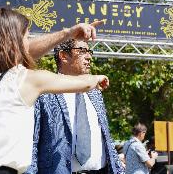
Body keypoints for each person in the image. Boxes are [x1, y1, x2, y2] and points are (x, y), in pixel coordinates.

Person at [0, 8, 108, 174]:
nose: (29, 42)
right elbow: (85, 84)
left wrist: (68, 33)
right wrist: (97, 78)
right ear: (15, 41)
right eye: (27, 37)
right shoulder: (27, 79)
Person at [26, 39, 124, 174]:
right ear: (63, 56)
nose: (89, 57)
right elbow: (32, 144)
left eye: (89, 52)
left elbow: (106, 137)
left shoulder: (95, 92)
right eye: (82, 51)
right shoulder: (45, 92)